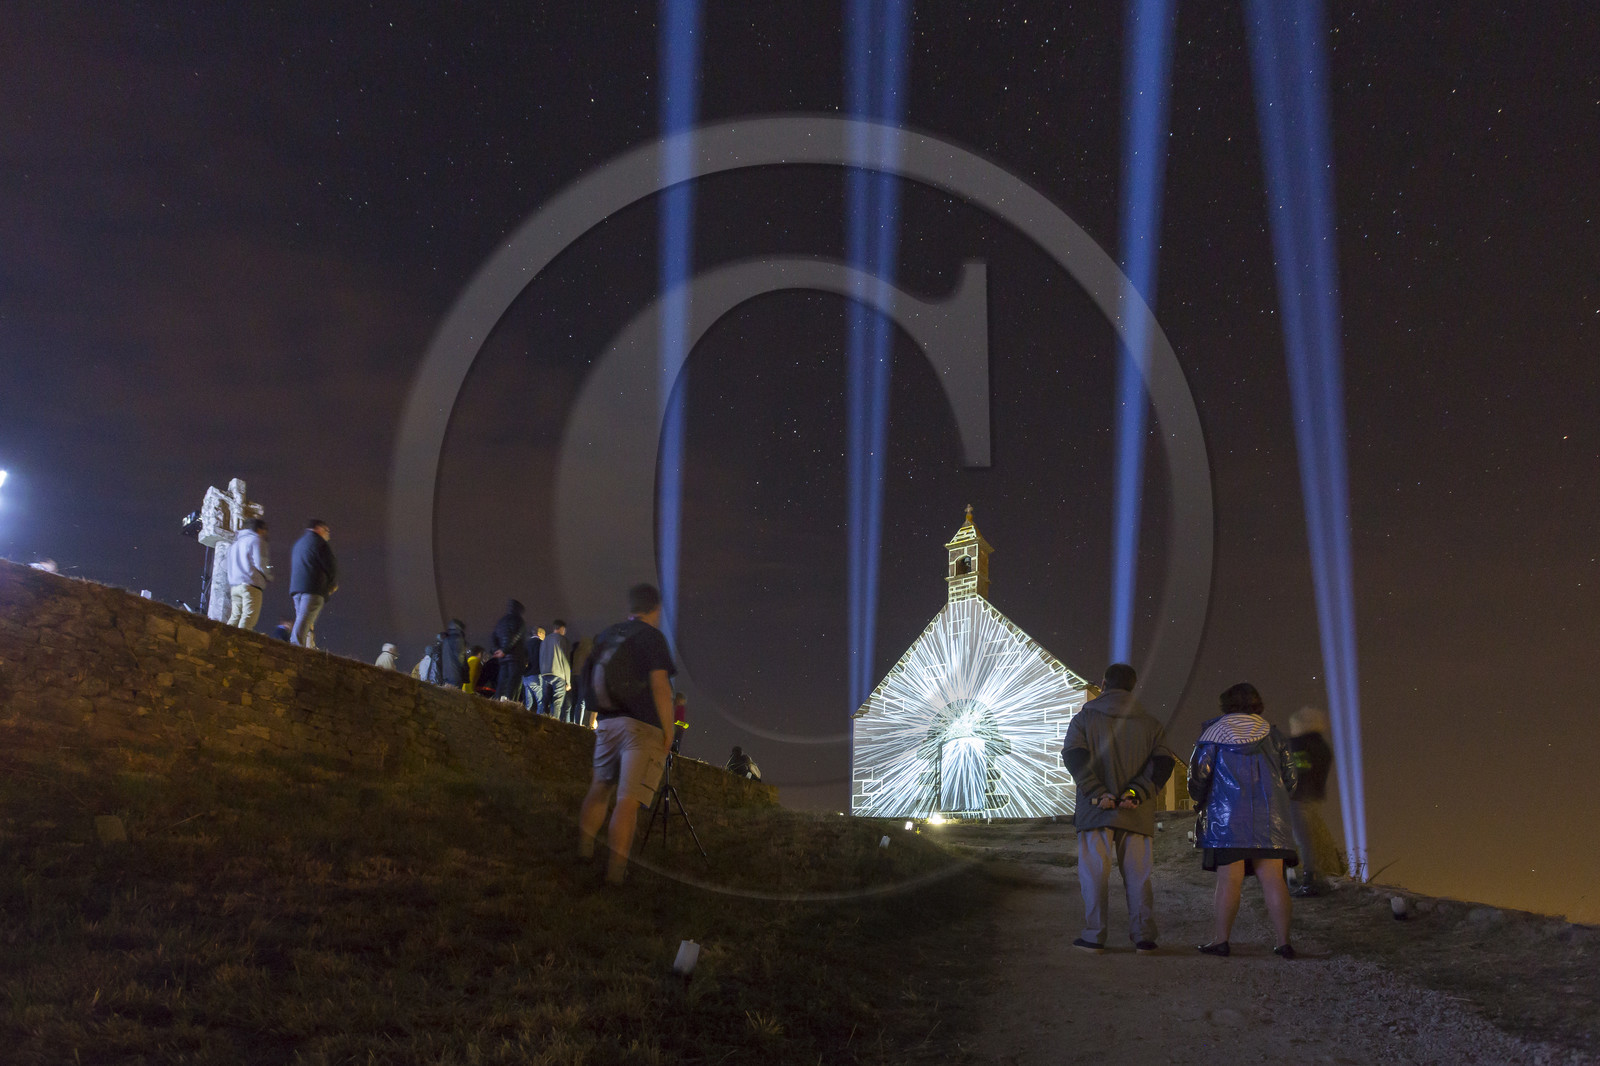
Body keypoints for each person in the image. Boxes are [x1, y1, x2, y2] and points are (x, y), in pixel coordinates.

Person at [1060, 663, 1174, 955]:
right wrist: (1135, 793)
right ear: (1133, 686)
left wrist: (1098, 793)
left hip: (1095, 810)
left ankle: (1094, 936)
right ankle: (1144, 937)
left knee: (1094, 875)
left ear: (1103, 683)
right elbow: (1163, 763)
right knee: (1138, 876)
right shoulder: (1151, 723)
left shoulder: (1084, 718)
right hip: (1136, 811)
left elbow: (1074, 756)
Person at [1188, 682, 1300, 959]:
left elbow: (1199, 776)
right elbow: (1292, 780)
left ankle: (1221, 940)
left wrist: (1199, 799)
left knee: (1229, 882)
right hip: (1270, 822)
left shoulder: (1212, 735)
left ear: (1225, 705)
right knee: (1274, 879)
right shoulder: (1274, 736)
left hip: (1227, 822)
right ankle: (1284, 943)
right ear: (1257, 704)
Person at [576, 583, 676, 885]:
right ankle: (616, 874)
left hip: (607, 722)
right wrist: (669, 730)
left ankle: (584, 851)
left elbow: (593, 676)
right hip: (641, 727)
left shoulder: (608, 634)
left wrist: (595, 717)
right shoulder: (653, 638)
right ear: (655, 610)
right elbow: (660, 686)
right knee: (627, 800)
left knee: (599, 787)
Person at [1287, 706, 1335, 897]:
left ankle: (1310, 881)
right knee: (1309, 839)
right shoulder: (1322, 746)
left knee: (1303, 840)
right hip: (1314, 797)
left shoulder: (1299, 744)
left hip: (1298, 797)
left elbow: (1299, 769)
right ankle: (1315, 878)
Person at [288, 519, 337, 648]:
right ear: (319, 529)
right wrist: (332, 584)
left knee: (303, 619)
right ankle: (296, 646)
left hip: (297, 588)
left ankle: (307, 646)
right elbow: (331, 566)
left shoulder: (299, 544)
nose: (328, 535)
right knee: (305, 620)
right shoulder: (320, 543)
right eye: (327, 531)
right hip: (313, 588)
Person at [224, 518, 271, 630]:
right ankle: (240, 644)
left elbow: (227, 565)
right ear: (259, 529)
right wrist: (268, 576)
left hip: (234, 586)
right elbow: (260, 563)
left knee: (234, 617)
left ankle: (223, 639)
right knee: (249, 618)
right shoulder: (256, 540)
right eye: (264, 530)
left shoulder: (234, 545)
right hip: (251, 584)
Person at [539, 620, 574, 721]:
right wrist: (568, 681)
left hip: (545, 673)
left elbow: (541, 656)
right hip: (559, 674)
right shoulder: (563, 640)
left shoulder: (545, 640)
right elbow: (565, 660)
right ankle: (553, 725)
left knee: (545, 701)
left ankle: (541, 722)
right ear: (562, 629)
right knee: (557, 703)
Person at [439, 620, 469, 690]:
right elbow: (460, 659)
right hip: (456, 675)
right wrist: (466, 670)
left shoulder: (446, 640)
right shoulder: (458, 639)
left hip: (446, 675)